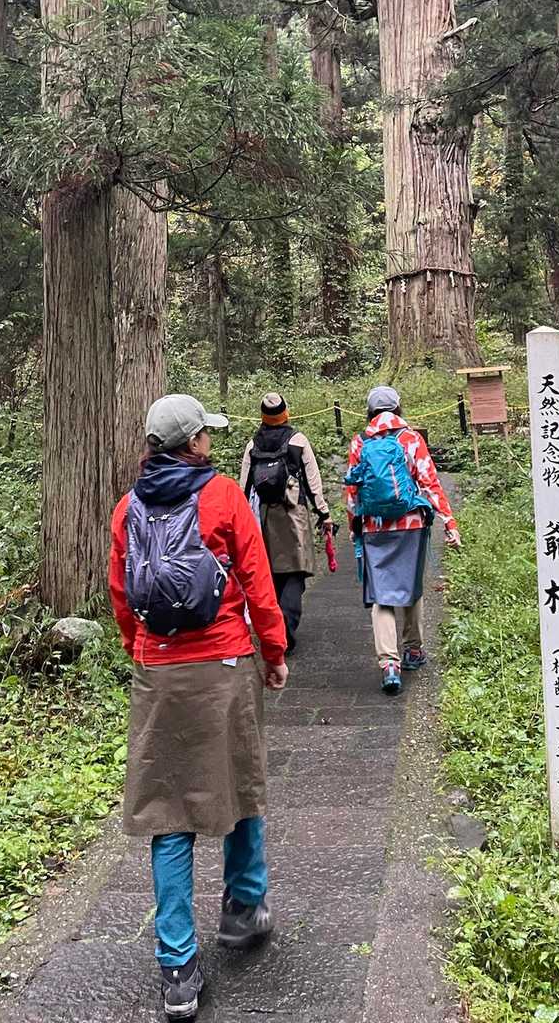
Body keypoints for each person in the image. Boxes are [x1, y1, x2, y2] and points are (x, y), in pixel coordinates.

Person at [109, 393, 289, 1021]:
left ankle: (178, 967)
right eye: (205, 435)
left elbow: (122, 593)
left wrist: (142, 650)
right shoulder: (222, 496)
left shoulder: (127, 508)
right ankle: (243, 907)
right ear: (192, 443)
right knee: (239, 783)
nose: (210, 441)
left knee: (169, 812)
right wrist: (274, 651)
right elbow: (257, 581)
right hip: (224, 664)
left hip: (159, 670)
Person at [345, 385, 459, 696]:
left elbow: (352, 490)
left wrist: (354, 526)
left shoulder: (360, 442)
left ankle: (389, 664)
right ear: (398, 408)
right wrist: (449, 523)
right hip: (411, 524)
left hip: (374, 526)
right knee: (411, 586)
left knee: (381, 595)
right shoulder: (411, 439)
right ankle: (413, 649)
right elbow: (430, 483)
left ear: (370, 412)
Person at [239, 392, 337, 653]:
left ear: (263, 416)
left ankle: (273, 630)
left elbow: (244, 486)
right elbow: (313, 483)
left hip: (264, 516)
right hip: (294, 515)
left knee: (271, 575)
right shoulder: (297, 440)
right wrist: (324, 513)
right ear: (285, 413)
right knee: (295, 572)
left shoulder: (253, 445)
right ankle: (285, 631)